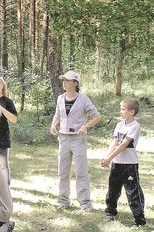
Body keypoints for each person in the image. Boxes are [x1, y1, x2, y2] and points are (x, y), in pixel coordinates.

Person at [50, 70, 101, 212]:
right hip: (63, 138)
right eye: (63, 80)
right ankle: (63, 201)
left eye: (67, 80)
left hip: (78, 139)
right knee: (63, 171)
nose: (64, 82)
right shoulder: (60, 98)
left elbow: (97, 116)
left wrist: (86, 126)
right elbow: (58, 114)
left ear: (75, 83)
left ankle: (85, 203)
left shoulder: (83, 99)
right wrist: (53, 125)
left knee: (81, 171)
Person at [101, 98, 146, 229]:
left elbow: (123, 146)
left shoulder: (135, 126)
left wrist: (109, 158)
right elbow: (114, 144)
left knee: (132, 192)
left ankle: (139, 220)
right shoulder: (119, 125)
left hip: (129, 164)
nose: (120, 112)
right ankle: (110, 212)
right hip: (117, 163)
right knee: (113, 190)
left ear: (132, 111)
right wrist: (107, 157)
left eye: (123, 109)